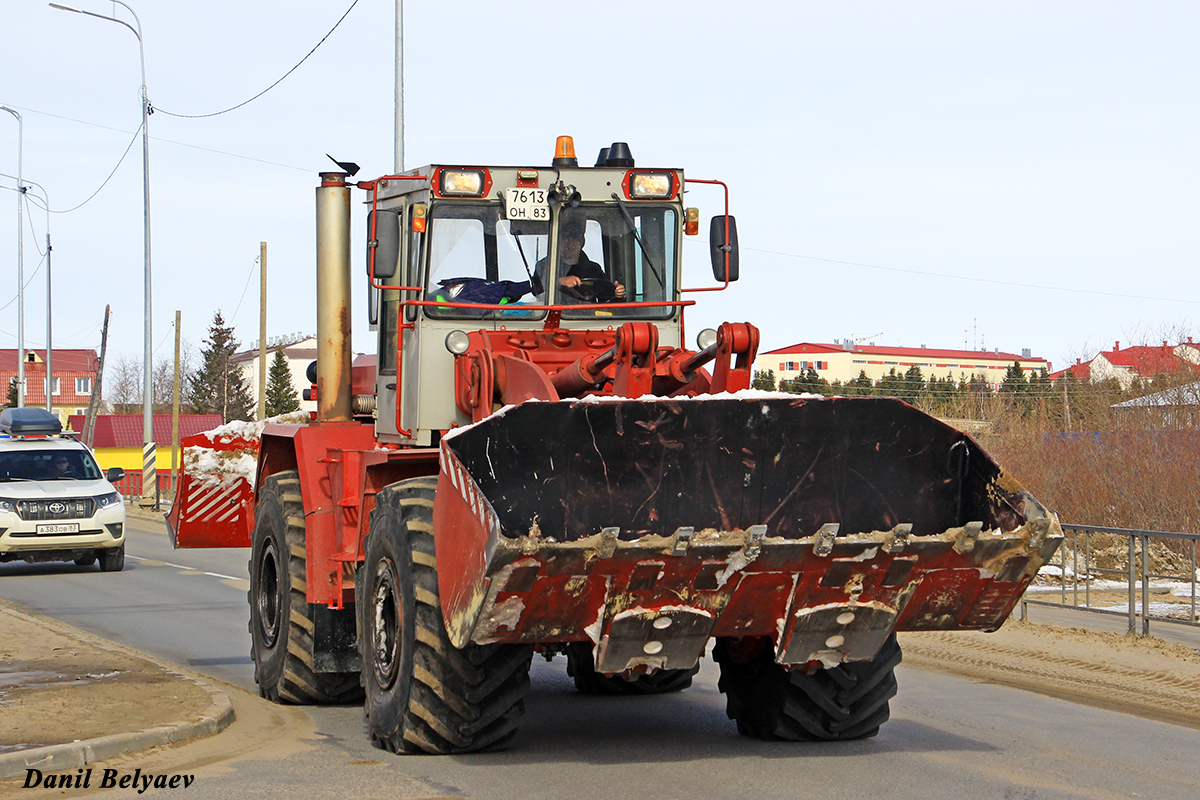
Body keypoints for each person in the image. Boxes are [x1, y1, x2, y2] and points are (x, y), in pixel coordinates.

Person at [534, 216, 625, 303]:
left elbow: (607, 293)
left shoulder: (594, 269)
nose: (570, 244)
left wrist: (617, 292)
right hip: (557, 315)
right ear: (559, 242)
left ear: (582, 242)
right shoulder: (544, 265)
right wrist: (559, 281)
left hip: (588, 316)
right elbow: (535, 289)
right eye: (566, 239)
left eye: (575, 239)